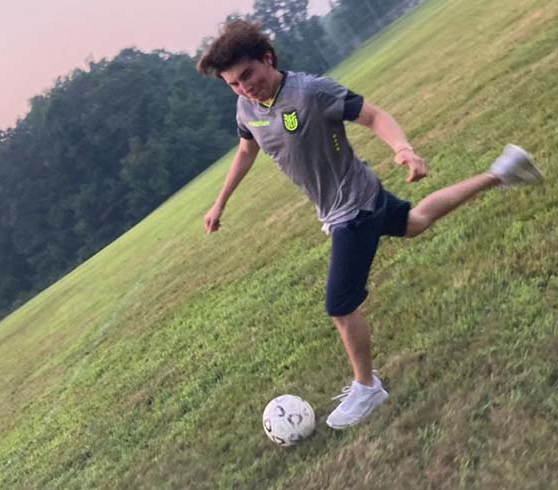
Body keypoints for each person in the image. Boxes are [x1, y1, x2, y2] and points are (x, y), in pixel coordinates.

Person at [197, 19, 543, 430]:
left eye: (247, 75)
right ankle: (502, 172)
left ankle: (368, 388)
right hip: (351, 200)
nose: (243, 88)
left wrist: (404, 149)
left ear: (267, 59)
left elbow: (374, 115)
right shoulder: (246, 108)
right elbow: (246, 149)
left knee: (340, 305)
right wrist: (220, 203)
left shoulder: (310, 92)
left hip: (354, 206)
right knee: (416, 221)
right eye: (233, 84)